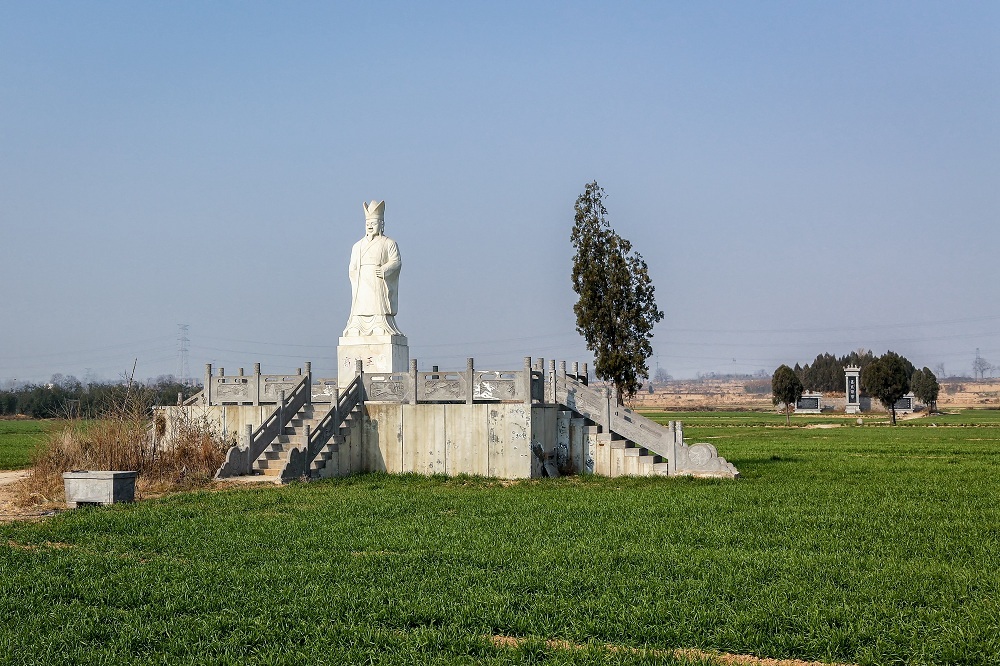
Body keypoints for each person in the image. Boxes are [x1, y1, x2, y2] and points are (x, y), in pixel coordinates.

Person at [343, 200, 403, 337]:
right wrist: (357, 276)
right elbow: (352, 267)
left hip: (378, 279)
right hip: (362, 281)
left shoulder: (389, 243)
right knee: (361, 304)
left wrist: (385, 269)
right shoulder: (357, 246)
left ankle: (380, 323)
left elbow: (396, 261)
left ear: (381, 225)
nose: (370, 226)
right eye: (368, 223)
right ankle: (357, 324)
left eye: (373, 223)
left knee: (377, 305)